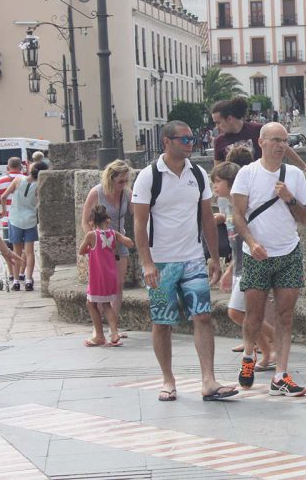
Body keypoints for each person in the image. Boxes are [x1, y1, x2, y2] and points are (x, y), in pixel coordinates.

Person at [132, 120, 238, 403]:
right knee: (162, 321)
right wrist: (147, 263)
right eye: (184, 139)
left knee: (203, 316)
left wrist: (214, 258)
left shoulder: (199, 174)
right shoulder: (148, 177)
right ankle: (168, 379)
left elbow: (206, 217)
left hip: (192, 258)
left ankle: (208, 380)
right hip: (162, 262)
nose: (190, 143)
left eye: (192, 138)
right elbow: (139, 224)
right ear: (167, 142)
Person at [231, 121, 306, 397]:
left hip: (289, 251)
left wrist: (289, 198)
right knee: (253, 316)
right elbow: (238, 216)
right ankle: (247, 356)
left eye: (285, 141)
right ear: (261, 142)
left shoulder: (294, 175)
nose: (281, 145)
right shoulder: (247, 174)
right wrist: (251, 242)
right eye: (276, 140)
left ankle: (281, 375)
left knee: (285, 316)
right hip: (257, 254)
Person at [212, 162, 277, 364]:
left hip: (250, 267)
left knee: (237, 312)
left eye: (218, 181)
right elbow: (237, 245)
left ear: (231, 183)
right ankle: (268, 351)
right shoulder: (231, 207)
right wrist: (230, 270)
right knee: (246, 314)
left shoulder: (243, 207)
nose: (214, 186)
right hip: (241, 267)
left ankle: (275, 341)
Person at [81, 160, 133, 329]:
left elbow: (137, 213)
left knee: (118, 284)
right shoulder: (96, 193)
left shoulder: (126, 193)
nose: (123, 184)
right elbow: (85, 221)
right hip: (101, 246)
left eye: (126, 181)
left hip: (118, 242)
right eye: (120, 181)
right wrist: (93, 240)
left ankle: (113, 327)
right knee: (103, 287)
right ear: (110, 178)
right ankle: (101, 326)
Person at [211, 96, 306, 171]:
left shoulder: (257, 130)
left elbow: (282, 147)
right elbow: (218, 171)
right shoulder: (219, 141)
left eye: (218, 122)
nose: (217, 127)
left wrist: (304, 166)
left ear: (229, 119)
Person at [79, 204, 135, 347]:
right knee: (106, 305)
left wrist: (91, 249)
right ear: (108, 220)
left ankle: (99, 335)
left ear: (92, 222)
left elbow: (81, 250)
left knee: (91, 304)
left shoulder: (91, 235)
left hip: (97, 277)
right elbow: (129, 242)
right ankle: (114, 333)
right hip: (111, 275)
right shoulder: (113, 233)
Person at [0, 161, 48, 292]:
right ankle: (28, 280)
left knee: (16, 251)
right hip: (30, 220)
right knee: (30, 252)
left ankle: (15, 281)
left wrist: (4, 211)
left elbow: (3, 197)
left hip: (15, 218)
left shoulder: (18, 180)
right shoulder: (39, 186)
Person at [0, 157, 27, 285]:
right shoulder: (26, 180)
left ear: (8, 167)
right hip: (25, 219)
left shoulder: (0, 181)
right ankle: (22, 273)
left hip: (7, 218)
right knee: (24, 249)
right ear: (21, 167)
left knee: (10, 247)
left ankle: (12, 275)